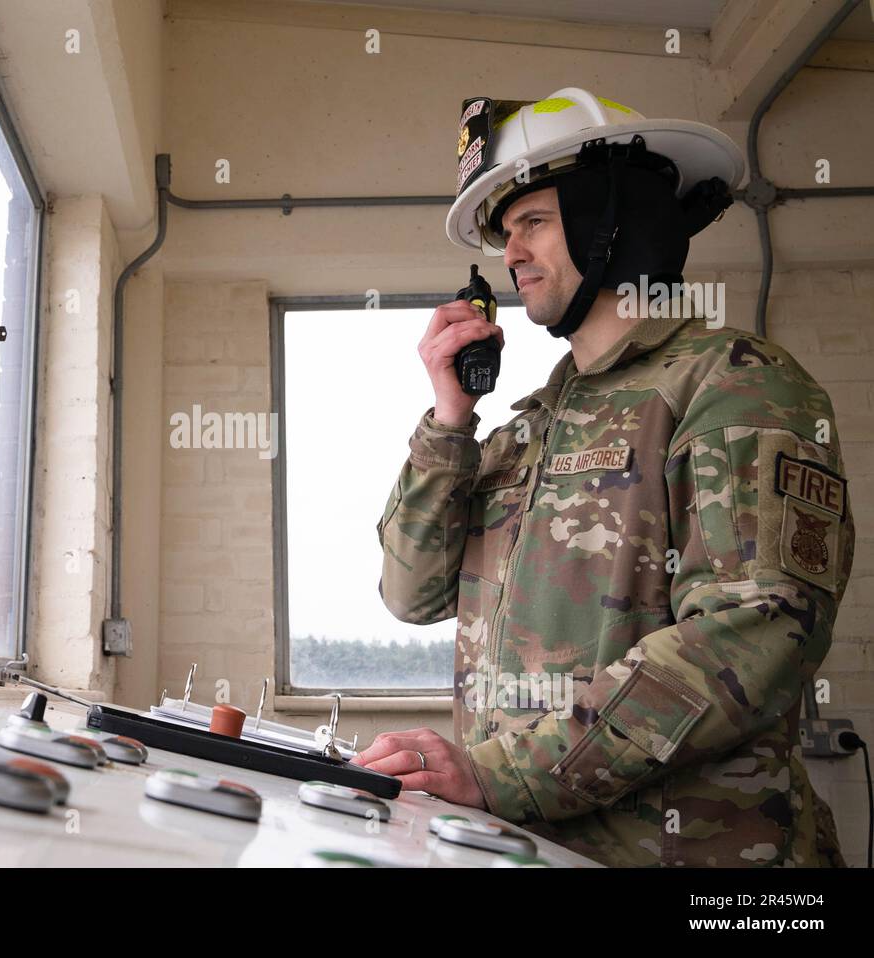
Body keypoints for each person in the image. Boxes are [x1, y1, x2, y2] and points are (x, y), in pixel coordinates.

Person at [356, 88, 852, 867]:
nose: (511, 253)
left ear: (611, 219)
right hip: (532, 848)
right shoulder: (526, 426)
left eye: (534, 222)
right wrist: (450, 422)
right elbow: (409, 593)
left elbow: (756, 631)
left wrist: (498, 774)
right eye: (505, 234)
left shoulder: (733, 383)